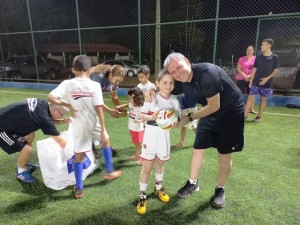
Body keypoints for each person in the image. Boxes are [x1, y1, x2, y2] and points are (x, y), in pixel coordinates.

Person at [161, 52, 244, 209]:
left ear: (187, 61)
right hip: (209, 109)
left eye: (179, 67)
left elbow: (214, 106)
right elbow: (163, 87)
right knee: (198, 147)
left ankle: (220, 190)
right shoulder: (179, 80)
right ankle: (193, 183)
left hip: (230, 111)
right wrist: (152, 94)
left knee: (224, 153)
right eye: (173, 72)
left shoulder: (207, 74)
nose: (178, 73)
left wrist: (189, 118)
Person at [48, 55, 122, 199]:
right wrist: (102, 129)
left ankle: (79, 188)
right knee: (105, 141)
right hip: (94, 122)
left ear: (73, 69)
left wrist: (67, 105)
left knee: (79, 156)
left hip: (78, 125)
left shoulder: (67, 84)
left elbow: (50, 97)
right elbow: (99, 108)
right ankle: (109, 170)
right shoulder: (94, 85)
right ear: (89, 70)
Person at [136, 69, 181, 214]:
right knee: (147, 167)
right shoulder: (152, 97)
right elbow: (142, 115)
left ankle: (158, 188)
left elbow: (178, 119)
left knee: (160, 164)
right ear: (157, 83)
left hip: (164, 138)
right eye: (165, 82)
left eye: (171, 82)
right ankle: (142, 196)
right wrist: (153, 117)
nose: (168, 85)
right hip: (150, 137)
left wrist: (172, 121)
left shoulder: (174, 101)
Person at [0, 98, 68, 183]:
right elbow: (60, 141)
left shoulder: (44, 104)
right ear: (55, 110)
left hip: (9, 122)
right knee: (27, 149)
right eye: (62, 114)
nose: (63, 116)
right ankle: (21, 172)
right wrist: (76, 152)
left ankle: (22, 163)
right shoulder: (43, 117)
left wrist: (63, 121)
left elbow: (46, 120)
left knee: (30, 135)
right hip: (2, 129)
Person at [89, 64, 127, 156]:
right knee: (92, 121)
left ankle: (104, 146)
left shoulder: (114, 81)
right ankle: (91, 147)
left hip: (94, 100)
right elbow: (94, 100)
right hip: (84, 99)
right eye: (116, 80)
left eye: (119, 81)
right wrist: (109, 110)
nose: (116, 83)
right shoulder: (97, 77)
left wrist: (118, 108)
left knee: (97, 121)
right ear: (110, 75)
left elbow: (114, 95)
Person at [244, 38, 280, 122]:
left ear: (269, 46)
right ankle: (244, 115)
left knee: (263, 100)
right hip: (256, 82)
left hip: (267, 83)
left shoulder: (275, 57)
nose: (261, 46)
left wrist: (267, 79)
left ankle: (259, 116)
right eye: (261, 44)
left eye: (263, 44)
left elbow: (276, 70)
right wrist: (251, 80)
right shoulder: (259, 57)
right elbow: (254, 69)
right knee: (250, 98)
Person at [116, 87, 145, 166]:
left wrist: (140, 121)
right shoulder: (133, 104)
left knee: (139, 143)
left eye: (130, 98)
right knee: (136, 142)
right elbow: (128, 105)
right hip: (132, 127)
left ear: (137, 98)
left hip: (137, 128)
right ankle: (137, 155)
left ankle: (143, 158)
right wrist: (120, 106)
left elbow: (144, 117)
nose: (129, 100)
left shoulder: (140, 108)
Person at [235, 45, 256, 114]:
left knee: (251, 94)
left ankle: (252, 109)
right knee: (239, 93)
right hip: (241, 78)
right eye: (247, 50)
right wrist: (245, 76)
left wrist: (250, 76)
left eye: (250, 50)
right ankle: (237, 108)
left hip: (252, 78)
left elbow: (256, 69)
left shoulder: (256, 59)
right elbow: (238, 69)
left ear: (253, 51)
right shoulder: (241, 59)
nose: (249, 51)